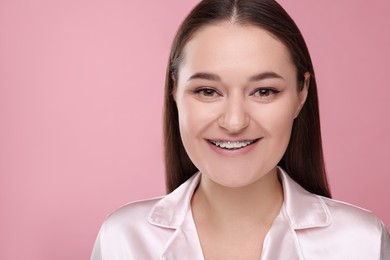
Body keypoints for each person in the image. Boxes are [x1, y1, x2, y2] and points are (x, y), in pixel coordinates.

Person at [91, 0, 390, 259]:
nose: (234, 122)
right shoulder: (123, 239)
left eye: (264, 91)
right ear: (174, 92)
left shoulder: (361, 243)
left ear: (302, 93)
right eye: (208, 91)